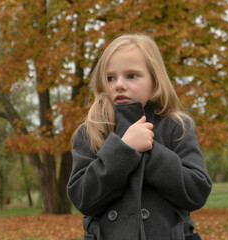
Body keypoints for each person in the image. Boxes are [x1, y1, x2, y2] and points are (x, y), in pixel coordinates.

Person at [67, 33, 212, 240]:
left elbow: (197, 191)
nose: (119, 84)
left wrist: (151, 152)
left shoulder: (176, 126)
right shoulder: (92, 131)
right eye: (110, 78)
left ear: (155, 80)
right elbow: (83, 198)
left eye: (131, 75)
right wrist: (124, 150)